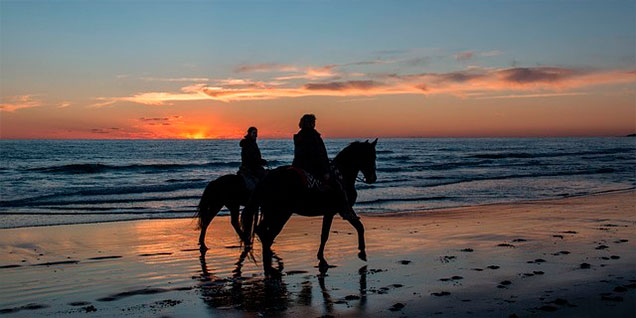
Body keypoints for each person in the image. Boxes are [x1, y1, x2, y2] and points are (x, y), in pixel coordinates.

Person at [292, 114, 359, 220]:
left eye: (313, 122)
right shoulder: (312, 135)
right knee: (337, 183)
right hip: (313, 167)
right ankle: (344, 210)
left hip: (300, 165)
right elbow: (318, 154)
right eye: (312, 122)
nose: (313, 124)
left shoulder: (300, 135)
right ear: (308, 123)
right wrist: (325, 170)